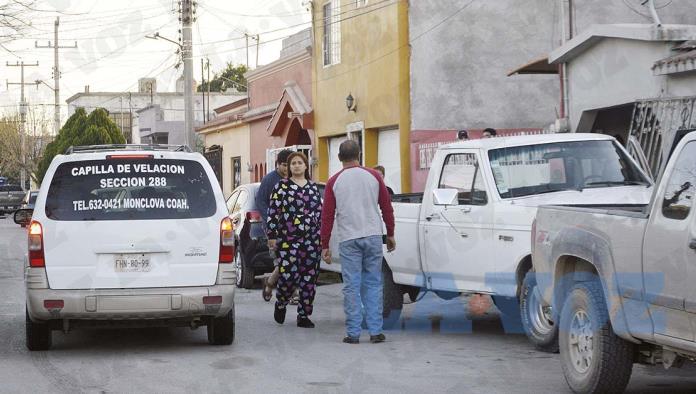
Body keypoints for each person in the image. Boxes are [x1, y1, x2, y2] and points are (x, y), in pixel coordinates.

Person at [321, 140, 396, 344]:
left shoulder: (334, 181)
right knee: (373, 283)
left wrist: (324, 245)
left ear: (339, 158)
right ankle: (375, 331)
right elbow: (386, 207)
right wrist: (390, 233)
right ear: (359, 154)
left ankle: (353, 333)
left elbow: (327, 216)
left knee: (351, 286)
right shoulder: (373, 176)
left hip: (348, 239)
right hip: (372, 235)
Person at [266, 152, 323, 328]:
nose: (297, 166)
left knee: (309, 279)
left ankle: (304, 315)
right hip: (288, 240)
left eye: (300, 163)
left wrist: (322, 237)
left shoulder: (313, 188)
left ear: (306, 166)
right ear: (289, 168)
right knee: (288, 275)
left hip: (312, 240)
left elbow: (319, 214)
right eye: (293, 163)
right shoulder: (281, 187)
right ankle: (281, 302)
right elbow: (273, 212)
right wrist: (272, 235)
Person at [257, 149, 292, 302]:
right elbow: (260, 201)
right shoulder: (269, 180)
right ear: (278, 165)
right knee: (282, 259)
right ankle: (293, 292)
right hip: (274, 228)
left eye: (289, 165)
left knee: (292, 258)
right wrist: (271, 220)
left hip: (292, 227)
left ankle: (270, 282)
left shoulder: (294, 179)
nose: (287, 168)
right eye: (284, 165)